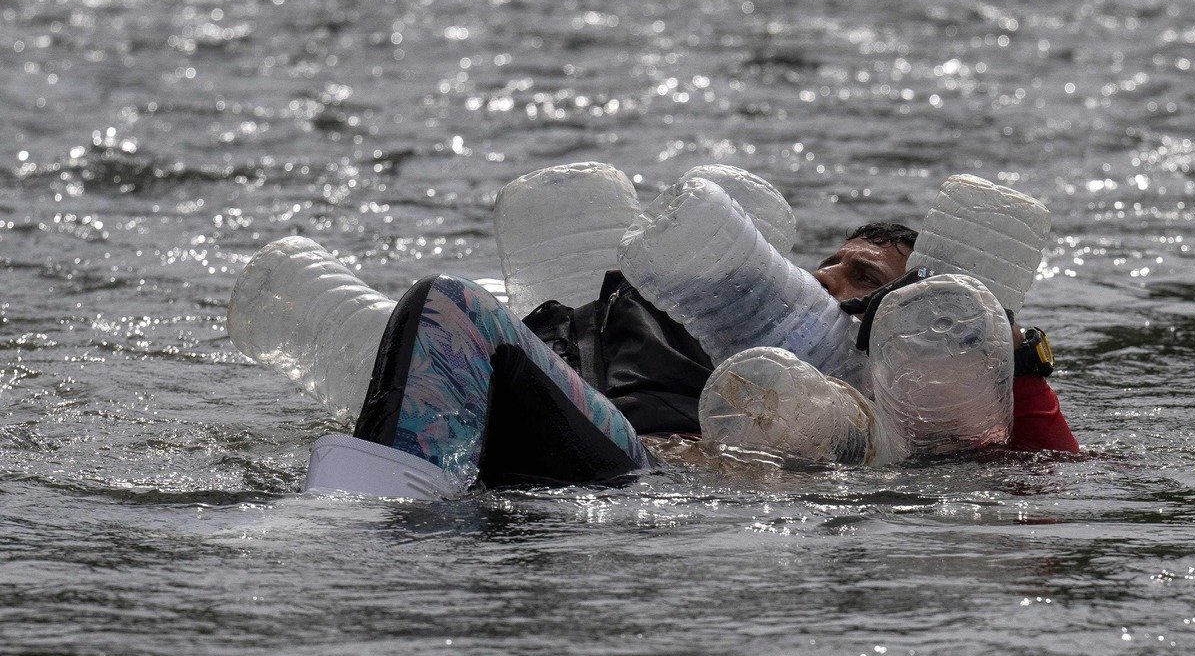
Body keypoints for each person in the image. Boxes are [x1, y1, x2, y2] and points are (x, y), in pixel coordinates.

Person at [343, 221, 1078, 491]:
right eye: (827, 264)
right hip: (568, 466)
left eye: (862, 279)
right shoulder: (705, 338)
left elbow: (1051, 479)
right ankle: (368, 501)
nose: (826, 281)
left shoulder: (871, 421)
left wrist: (1015, 360)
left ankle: (352, 520)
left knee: (450, 305)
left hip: (636, 479)